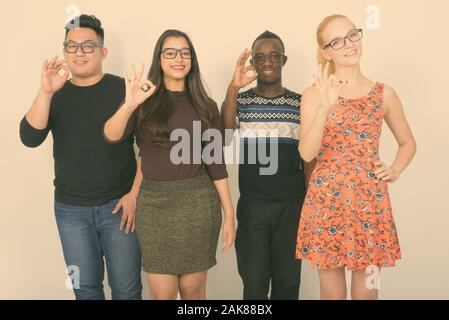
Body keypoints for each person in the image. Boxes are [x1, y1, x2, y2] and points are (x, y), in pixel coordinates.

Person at [103, 29, 235, 300]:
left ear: (192, 60)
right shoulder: (142, 100)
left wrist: (230, 215)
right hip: (154, 206)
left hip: (198, 204)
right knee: (162, 294)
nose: (179, 58)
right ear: (159, 59)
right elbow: (111, 135)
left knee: (192, 292)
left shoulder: (205, 105)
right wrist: (129, 106)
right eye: (170, 52)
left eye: (185, 52)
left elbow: (216, 164)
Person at [19, 14, 142, 300]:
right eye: (71, 46)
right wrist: (46, 91)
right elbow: (29, 137)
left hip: (119, 208)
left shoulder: (123, 89)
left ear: (103, 51)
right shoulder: (55, 94)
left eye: (88, 46)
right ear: (64, 51)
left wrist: (135, 195)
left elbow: (148, 149)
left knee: (127, 291)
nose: (79, 52)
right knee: (85, 290)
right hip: (70, 211)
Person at [296, 14, 417, 300]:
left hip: (369, 201)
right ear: (326, 52)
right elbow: (306, 153)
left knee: (367, 294)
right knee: (332, 295)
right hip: (327, 201)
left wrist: (395, 169)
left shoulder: (384, 94)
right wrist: (325, 108)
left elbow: (408, 142)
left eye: (352, 35)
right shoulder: (314, 94)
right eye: (337, 42)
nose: (349, 44)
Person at [221, 31, 313, 300]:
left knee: (287, 284)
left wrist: (310, 203)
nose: (267, 62)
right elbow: (224, 136)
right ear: (253, 63)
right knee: (254, 285)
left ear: (284, 60)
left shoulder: (300, 102)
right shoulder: (241, 101)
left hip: (291, 206)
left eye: (274, 56)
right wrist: (233, 87)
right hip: (253, 207)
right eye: (260, 57)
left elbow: (309, 158)